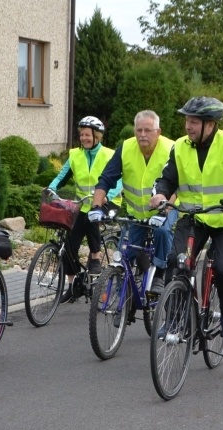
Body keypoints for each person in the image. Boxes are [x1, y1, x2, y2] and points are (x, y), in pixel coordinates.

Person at [149, 96, 223, 345]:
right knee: (176, 263)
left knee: (222, 269)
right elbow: (166, 178)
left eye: (194, 121)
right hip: (193, 217)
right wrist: (161, 194)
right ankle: (175, 318)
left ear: (210, 124)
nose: (188, 126)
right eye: (187, 120)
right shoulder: (180, 146)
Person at [89, 110, 176, 295]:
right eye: (139, 130)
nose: (142, 135)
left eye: (148, 130)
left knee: (162, 231)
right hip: (137, 213)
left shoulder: (171, 149)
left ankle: (159, 273)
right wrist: (96, 206)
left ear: (158, 132)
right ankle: (124, 296)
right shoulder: (126, 148)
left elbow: (177, 184)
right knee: (125, 255)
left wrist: (165, 210)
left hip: (168, 208)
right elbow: (106, 178)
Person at [47, 116, 121, 303]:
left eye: (88, 135)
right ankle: (72, 286)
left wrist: (107, 196)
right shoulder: (75, 155)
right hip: (83, 204)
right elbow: (62, 176)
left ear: (97, 136)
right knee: (69, 243)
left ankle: (95, 257)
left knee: (92, 220)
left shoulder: (109, 155)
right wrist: (50, 188)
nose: (84, 138)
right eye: (81, 135)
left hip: (106, 202)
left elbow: (119, 181)